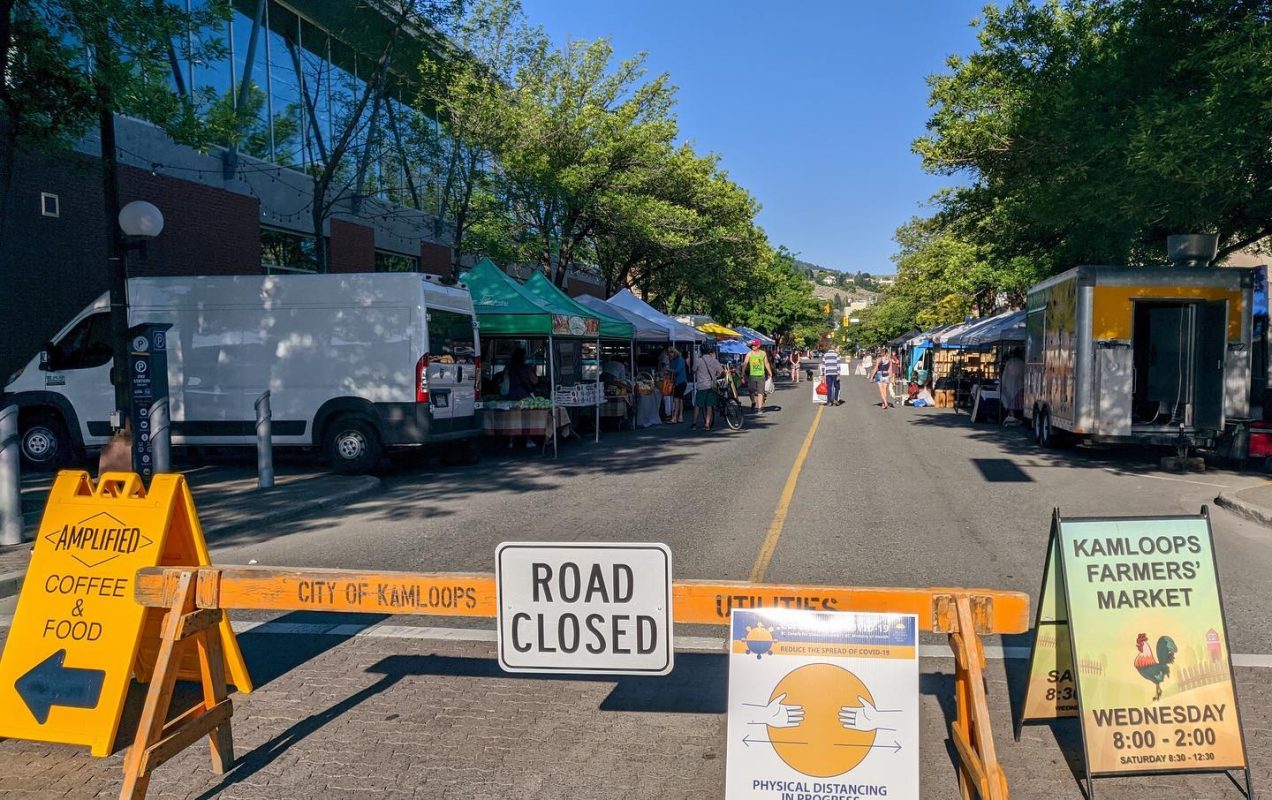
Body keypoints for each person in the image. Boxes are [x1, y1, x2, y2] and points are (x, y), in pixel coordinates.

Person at [502, 347, 540, 447]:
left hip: (511, 395)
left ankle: (511, 441)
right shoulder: (526, 368)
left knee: (512, 419)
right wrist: (534, 371)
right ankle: (528, 440)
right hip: (524, 396)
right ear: (523, 357)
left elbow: (504, 380)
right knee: (526, 419)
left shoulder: (508, 367)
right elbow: (534, 381)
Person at [691, 343, 724, 430]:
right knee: (709, 405)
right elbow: (721, 372)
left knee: (698, 405)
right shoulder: (714, 360)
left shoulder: (698, 360)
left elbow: (693, 370)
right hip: (711, 385)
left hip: (701, 385)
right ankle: (707, 425)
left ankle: (694, 424)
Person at [741, 339, 773, 413]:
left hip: (761, 375)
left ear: (758, 346)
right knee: (751, 391)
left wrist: (770, 372)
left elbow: (766, 363)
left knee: (760, 392)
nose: (753, 346)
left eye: (754, 345)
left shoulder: (763, 353)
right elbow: (745, 363)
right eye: (752, 345)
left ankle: (759, 408)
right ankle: (753, 402)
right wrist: (742, 373)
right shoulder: (749, 353)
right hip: (752, 376)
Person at [1000, 347, 1026, 422]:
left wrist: (1003, 384)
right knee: (1019, 401)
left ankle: (1012, 415)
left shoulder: (1009, 362)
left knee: (1011, 400)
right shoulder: (1022, 362)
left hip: (1010, 384)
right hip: (1021, 384)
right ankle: (1020, 416)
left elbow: (1005, 374)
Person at [667, 347, 688, 424]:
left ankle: (676, 417)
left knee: (677, 399)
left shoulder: (680, 359)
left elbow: (677, 371)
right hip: (677, 382)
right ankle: (679, 417)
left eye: (671, 352)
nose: (670, 354)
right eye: (669, 353)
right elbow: (673, 371)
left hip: (681, 382)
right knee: (679, 399)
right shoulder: (672, 360)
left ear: (674, 352)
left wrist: (668, 370)